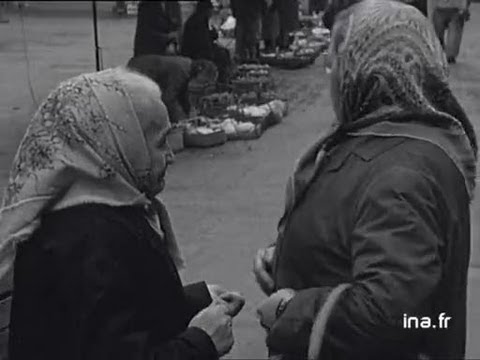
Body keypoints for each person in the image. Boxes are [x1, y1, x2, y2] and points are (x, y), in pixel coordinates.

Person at [253, 1, 477, 359]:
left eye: (334, 62)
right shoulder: (390, 138)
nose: (331, 76)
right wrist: (292, 255)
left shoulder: (402, 177)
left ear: (365, 68)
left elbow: (404, 318)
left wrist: (291, 311)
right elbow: (355, 222)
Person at [2, 67, 245, 360]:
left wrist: (194, 299)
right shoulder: (88, 242)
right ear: (115, 146)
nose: (170, 155)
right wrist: (201, 342)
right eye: (158, 143)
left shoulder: (101, 211)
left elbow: (121, 309)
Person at [127, 55, 218, 123]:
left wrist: (189, 112)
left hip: (140, 69)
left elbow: (183, 94)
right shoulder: (180, 71)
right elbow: (169, 98)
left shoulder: (187, 67)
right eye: (204, 81)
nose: (203, 85)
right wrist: (182, 119)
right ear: (199, 71)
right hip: (138, 74)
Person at [181, 1, 233, 85]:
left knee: (223, 52)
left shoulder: (200, 19)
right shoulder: (198, 21)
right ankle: (222, 82)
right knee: (222, 55)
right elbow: (203, 43)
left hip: (198, 50)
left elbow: (209, 36)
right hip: (195, 53)